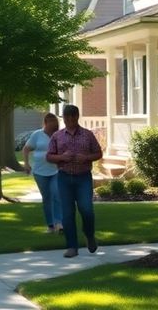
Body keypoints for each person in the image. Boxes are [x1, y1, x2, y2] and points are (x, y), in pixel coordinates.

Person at [47, 104, 103, 258]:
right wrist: (62, 157)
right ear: (63, 118)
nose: (70, 119)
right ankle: (72, 246)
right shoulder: (57, 136)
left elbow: (98, 152)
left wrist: (86, 158)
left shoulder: (87, 135)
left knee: (86, 209)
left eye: (73, 116)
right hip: (64, 178)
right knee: (67, 213)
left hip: (83, 177)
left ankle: (89, 235)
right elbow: (49, 156)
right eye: (67, 116)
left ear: (78, 116)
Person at [23, 113, 63, 233]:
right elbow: (26, 149)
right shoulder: (37, 135)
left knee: (56, 194)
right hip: (40, 172)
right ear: (46, 123)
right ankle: (50, 225)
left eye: (54, 123)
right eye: (50, 123)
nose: (53, 126)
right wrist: (26, 164)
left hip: (56, 170)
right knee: (47, 198)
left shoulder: (59, 135)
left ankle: (59, 223)